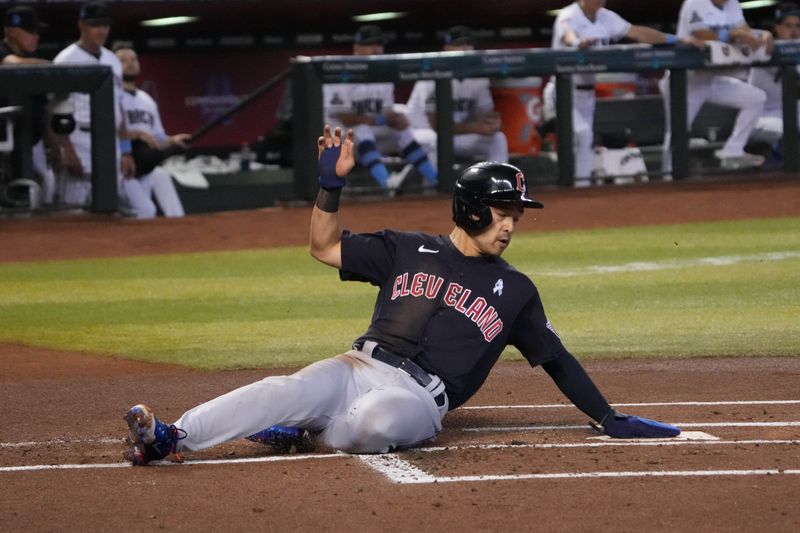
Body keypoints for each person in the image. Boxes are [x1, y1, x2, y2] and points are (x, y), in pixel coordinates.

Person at [122, 124, 681, 466]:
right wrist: (330, 186)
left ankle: (306, 431)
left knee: (376, 421)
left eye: (516, 215)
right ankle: (170, 438)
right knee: (283, 387)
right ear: (470, 207)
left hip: (419, 399)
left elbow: (557, 360)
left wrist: (607, 416)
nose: (510, 225)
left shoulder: (515, 290)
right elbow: (323, 247)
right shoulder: (405, 248)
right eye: (502, 211)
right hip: (356, 363)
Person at [543, 0, 700, 187]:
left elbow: (636, 32)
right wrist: (578, 43)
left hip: (587, 93)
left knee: (586, 140)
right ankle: (569, 187)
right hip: (563, 90)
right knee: (582, 134)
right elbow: (568, 37)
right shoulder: (569, 15)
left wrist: (675, 39)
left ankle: (580, 188)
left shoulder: (605, 17)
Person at [52, 1, 152, 218]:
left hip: (110, 141)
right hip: (78, 136)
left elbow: (119, 107)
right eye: (95, 25)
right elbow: (55, 109)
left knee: (136, 209)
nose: (102, 30)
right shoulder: (65, 59)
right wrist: (66, 149)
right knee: (73, 212)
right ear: (82, 25)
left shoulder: (112, 60)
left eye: (105, 25)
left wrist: (125, 149)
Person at [660, 0, 773, 173]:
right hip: (686, 79)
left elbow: (745, 32)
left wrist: (762, 34)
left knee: (755, 98)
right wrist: (734, 35)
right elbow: (702, 36)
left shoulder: (732, 3)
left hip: (712, 78)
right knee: (678, 131)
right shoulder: (694, 3)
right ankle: (668, 176)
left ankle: (733, 150)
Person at [323, 25, 438, 193]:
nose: (376, 49)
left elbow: (386, 112)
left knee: (402, 130)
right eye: (370, 44)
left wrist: (397, 119)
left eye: (379, 44)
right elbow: (346, 118)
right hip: (339, 136)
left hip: (368, 136)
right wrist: (384, 120)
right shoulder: (341, 72)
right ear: (356, 48)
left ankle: (435, 180)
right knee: (361, 129)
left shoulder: (383, 74)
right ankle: (388, 182)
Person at [405, 25, 509, 166]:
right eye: (459, 44)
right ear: (446, 48)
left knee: (498, 138)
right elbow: (436, 125)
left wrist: (492, 123)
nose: (465, 48)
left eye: (469, 44)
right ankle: (433, 187)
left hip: (457, 136)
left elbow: (485, 114)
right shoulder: (432, 73)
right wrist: (475, 127)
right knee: (435, 140)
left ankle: (498, 185)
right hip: (422, 134)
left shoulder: (478, 77)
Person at [114, 44, 190, 218]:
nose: (130, 64)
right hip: (122, 167)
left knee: (162, 176)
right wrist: (137, 134)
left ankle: (180, 228)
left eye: (133, 59)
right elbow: (106, 132)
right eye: (122, 60)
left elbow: (157, 137)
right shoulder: (110, 95)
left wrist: (173, 140)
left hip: (146, 165)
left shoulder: (146, 100)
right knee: (145, 212)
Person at [1, 5, 59, 203]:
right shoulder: (3, 52)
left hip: (31, 143)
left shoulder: (32, 61)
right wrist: (53, 66)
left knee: (45, 189)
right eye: (29, 31)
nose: (35, 37)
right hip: (5, 143)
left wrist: (52, 144)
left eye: (36, 32)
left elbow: (44, 108)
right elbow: (10, 63)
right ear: (9, 31)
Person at [746, 2, 800, 155]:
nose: (794, 31)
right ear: (778, 28)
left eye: (798, 25)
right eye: (788, 25)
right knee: (785, 129)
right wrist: (763, 34)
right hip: (762, 117)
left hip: (791, 113)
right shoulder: (765, 48)